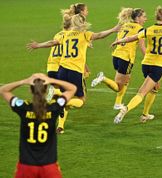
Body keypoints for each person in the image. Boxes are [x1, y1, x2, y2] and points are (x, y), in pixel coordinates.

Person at [27, 4, 120, 133]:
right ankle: (60, 101)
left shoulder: (65, 35)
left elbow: (51, 43)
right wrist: (113, 29)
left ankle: (60, 120)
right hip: (75, 71)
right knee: (81, 101)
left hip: (62, 70)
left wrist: (38, 45)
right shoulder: (84, 34)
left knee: (67, 96)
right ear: (82, 23)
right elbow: (99, 35)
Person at [0, 73, 76, 178]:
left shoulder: (23, 108)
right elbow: (72, 89)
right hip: (49, 167)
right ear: (46, 90)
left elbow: (3, 90)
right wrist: (51, 80)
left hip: (26, 166)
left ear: (30, 90)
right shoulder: (54, 108)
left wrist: (24, 81)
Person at [91, 7, 147, 110]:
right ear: (138, 18)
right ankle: (103, 78)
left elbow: (118, 40)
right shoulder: (140, 29)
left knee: (126, 80)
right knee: (118, 87)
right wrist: (149, 59)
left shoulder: (124, 25)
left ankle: (118, 103)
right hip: (126, 58)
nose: (146, 19)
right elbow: (142, 47)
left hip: (116, 56)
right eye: (144, 17)